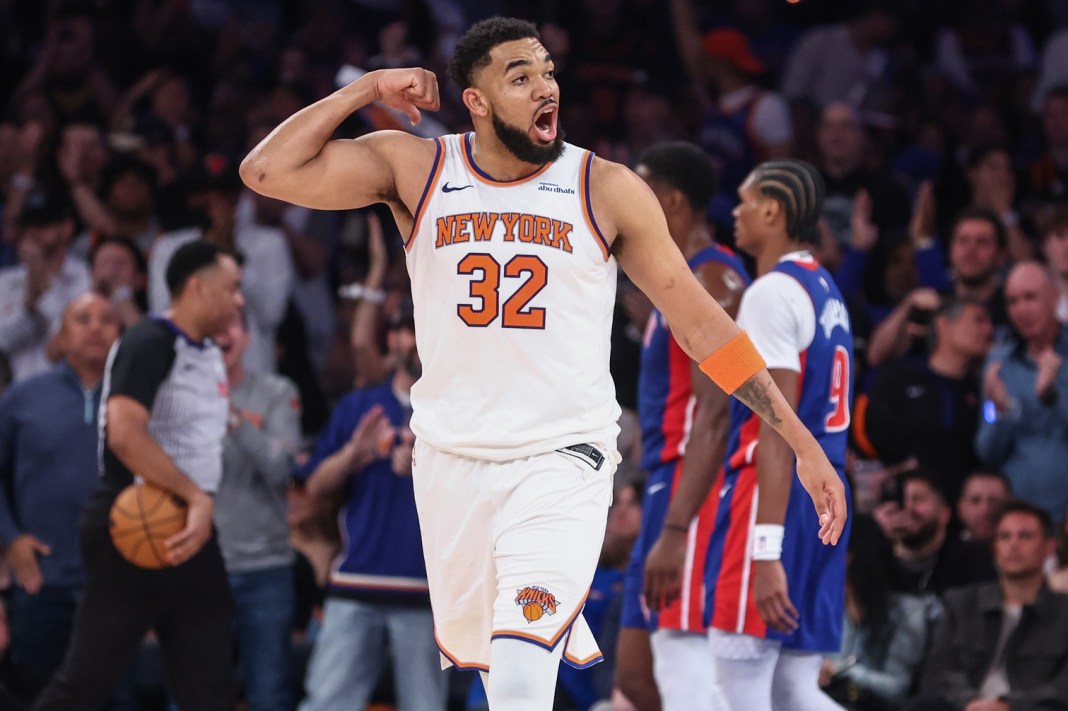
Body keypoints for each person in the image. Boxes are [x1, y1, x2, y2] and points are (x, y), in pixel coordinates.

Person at [240, 18, 846, 710]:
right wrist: (368, 90)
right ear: (475, 99)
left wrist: (801, 441)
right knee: (504, 679)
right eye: (520, 76)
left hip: (563, 460)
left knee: (524, 672)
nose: (543, 87)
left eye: (548, 72)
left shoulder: (604, 186)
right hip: (453, 461)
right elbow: (264, 171)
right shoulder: (416, 168)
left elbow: (706, 328)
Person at [32, 240, 244, 711]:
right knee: (87, 682)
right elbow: (125, 436)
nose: (239, 299)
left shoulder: (208, 352)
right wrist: (195, 495)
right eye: (232, 288)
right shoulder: (149, 340)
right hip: (135, 517)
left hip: (191, 530)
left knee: (211, 690)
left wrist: (198, 501)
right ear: (198, 287)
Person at [702, 159, 852, 711]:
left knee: (732, 689)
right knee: (792, 691)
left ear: (772, 210)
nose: (735, 213)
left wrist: (767, 549)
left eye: (744, 201)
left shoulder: (770, 293)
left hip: (776, 498)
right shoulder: (825, 288)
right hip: (825, 492)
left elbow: (775, 424)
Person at [616, 141, 749, 711]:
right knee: (636, 676)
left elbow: (716, 414)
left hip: (690, 492)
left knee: (684, 674)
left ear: (671, 202)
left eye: (638, 191)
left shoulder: (713, 277)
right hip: (662, 484)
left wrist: (675, 530)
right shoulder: (672, 280)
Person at [296, 304, 446, 711]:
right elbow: (315, 485)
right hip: (356, 579)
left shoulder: (460, 409)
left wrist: (426, 467)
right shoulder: (361, 406)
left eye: (427, 329)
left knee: (426, 705)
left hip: (427, 588)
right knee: (326, 702)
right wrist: (352, 454)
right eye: (408, 331)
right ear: (392, 340)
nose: (417, 342)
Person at [0, 294, 119, 703]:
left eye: (107, 319)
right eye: (82, 319)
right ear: (61, 337)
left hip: (117, 580)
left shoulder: (138, 401)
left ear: (120, 336)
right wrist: (11, 538)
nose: (95, 327)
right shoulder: (22, 398)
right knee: (40, 694)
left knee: (116, 697)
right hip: (42, 578)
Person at [213, 310, 302, 711]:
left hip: (265, 567)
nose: (221, 334)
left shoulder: (277, 392)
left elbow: (280, 468)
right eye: (211, 327)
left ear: (247, 337)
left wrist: (229, 416)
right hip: (199, 566)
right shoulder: (176, 396)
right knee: (193, 695)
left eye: (230, 325)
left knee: (268, 695)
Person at [905, 500, 1068, 711]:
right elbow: (937, 672)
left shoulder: (1064, 613)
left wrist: (1008, 706)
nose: (1014, 545)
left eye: (1025, 536)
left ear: (1049, 546)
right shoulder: (962, 603)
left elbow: (1063, 688)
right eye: (1005, 536)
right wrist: (971, 702)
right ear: (995, 547)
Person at [863, 296, 993, 502]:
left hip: (962, 507)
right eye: (978, 320)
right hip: (905, 502)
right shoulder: (900, 379)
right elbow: (872, 430)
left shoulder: (982, 389)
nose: (989, 330)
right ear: (944, 325)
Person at [976, 261, 1068, 523]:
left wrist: (1052, 397)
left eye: (1030, 297)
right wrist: (999, 410)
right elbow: (987, 452)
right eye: (1013, 301)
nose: (1021, 310)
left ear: (1055, 297)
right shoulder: (999, 363)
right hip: (1020, 517)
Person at [0, 186, 91, 383]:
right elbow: (3, 341)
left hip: (69, 388)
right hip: (15, 391)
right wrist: (29, 302)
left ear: (66, 228)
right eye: (28, 224)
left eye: (42, 224)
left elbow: (73, 337)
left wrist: (41, 283)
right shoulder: (6, 280)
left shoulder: (84, 276)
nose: (32, 232)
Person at [874, 470, 997, 598]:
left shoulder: (974, 559)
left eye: (918, 499)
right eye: (901, 500)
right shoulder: (873, 561)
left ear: (945, 513)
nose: (908, 508)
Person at [956, 471, 1011, 544]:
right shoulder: (945, 552)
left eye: (994, 501)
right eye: (975, 500)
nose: (985, 510)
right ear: (960, 507)